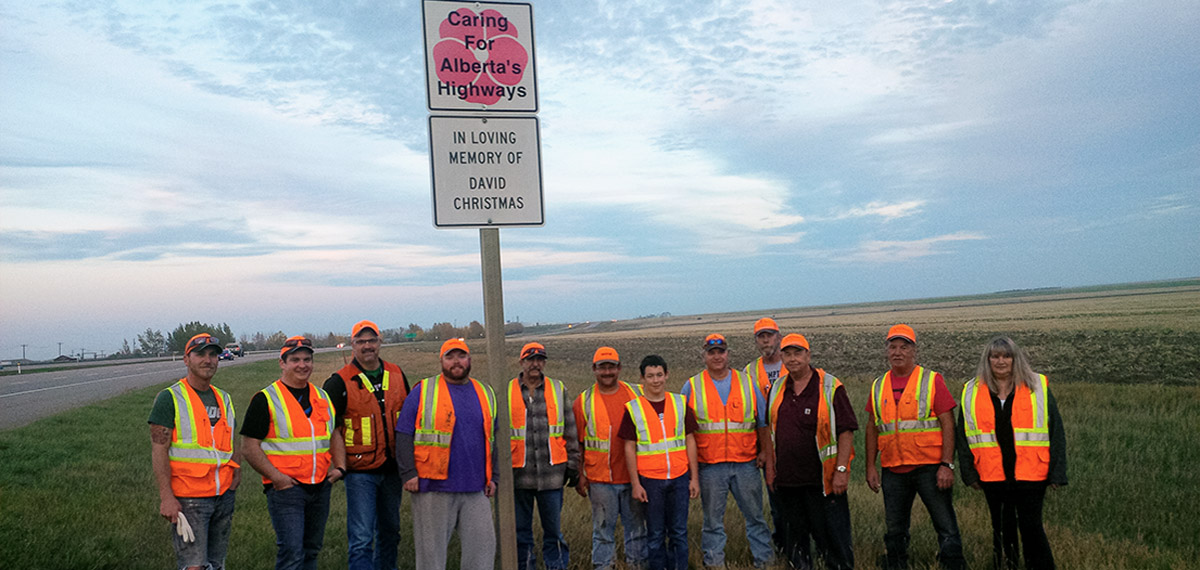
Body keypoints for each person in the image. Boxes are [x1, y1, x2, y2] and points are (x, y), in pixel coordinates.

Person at [957, 337, 1067, 570]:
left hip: (1031, 473)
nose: (1001, 361)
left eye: (1007, 356)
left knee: (1032, 528)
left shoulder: (1037, 386)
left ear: (1016, 359)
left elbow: (1056, 431)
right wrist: (969, 473)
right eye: (995, 356)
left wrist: (1057, 472)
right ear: (987, 360)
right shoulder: (971, 391)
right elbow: (963, 435)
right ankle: (1005, 566)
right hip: (992, 474)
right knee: (1001, 527)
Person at [865, 324, 966, 570]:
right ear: (887, 351)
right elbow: (872, 428)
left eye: (904, 347)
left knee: (945, 525)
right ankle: (896, 564)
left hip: (929, 468)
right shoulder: (878, 385)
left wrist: (947, 465)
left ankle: (953, 564)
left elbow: (948, 424)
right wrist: (870, 466)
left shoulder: (931, 380)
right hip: (893, 469)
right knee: (895, 527)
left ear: (914, 351)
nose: (897, 352)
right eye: (893, 347)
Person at [241, 336, 346, 570]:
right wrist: (277, 478)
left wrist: (340, 468)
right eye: (295, 360)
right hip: (287, 490)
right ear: (283, 363)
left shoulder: (322, 397)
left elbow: (334, 434)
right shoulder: (265, 399)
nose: (302, 365)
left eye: (307, 359)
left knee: (311, 550)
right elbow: (249, 447)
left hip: (320, 487)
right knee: (291, 553)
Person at [395, 338, 498, 570]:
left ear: (469, 360)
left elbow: (492, 440)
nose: (456, 362)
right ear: (441, 360)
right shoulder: (424, 391)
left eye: (461, 356)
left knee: (482, 555)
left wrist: (495, 477)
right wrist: (408, 472)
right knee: (431, 559)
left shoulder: (485, 393)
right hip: (433, 488)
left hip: (476, 489)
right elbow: (403, 433)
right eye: (450, 357)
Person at [148, 333, 241, 570]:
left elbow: (231, 440)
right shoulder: (169, 398)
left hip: (223, 495)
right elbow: (159, 450)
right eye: (200, 354)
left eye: (213, 354)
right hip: (190, 499)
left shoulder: (224, 398)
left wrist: (235, 476)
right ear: (186, 359)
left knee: (217, 563)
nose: (208, 360)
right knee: (193, 566)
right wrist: (166, 497)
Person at [682, 333, 775, 569]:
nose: (717, 356)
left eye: (721, 351)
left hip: (746, 464)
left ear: (728, 354)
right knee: (712, 522)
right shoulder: (692, 386)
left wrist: (765, 452)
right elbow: (683, 430)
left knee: (755, 518)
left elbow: (762, 422)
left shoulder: (747, 382)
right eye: (711, 352)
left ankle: (765, 561)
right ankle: (714, 563)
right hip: (710, 466)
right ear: (704, 355)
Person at [323, 320, 410, 570]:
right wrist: (338, 465)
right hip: (360, 473)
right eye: (361, 341)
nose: (367, 346)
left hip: (392, 469)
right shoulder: (338, 381)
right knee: (361, 538)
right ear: (353, 345)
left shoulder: (396, 373)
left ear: (380, 343)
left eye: (372, 340)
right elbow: (328, 428)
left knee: (391, 531)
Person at [765, 334, 857, 570]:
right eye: (787, 353)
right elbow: (769, 431)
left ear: (808, 355)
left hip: (823, 482)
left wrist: (841, 470)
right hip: (788, 482)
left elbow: (847, 430)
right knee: (796, 543)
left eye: (798, 353)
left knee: (832, 540)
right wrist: (770, 469)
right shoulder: (776, 388)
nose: (792, 359)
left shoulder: (830, 386)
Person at [620, 355, 700, 570]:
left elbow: (690, 440)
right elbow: (629, 447)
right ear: (642, 378)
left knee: (679, 533)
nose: (655, 381)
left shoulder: (680, 403)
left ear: (667, 375)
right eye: (650, 376)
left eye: (659, 375)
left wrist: (694, 478)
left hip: (679, 478)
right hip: (650, 481)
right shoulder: (633, 409)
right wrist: (635, 484)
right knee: (655, 534)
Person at [572, 347, 648, 570]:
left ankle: (638, 566)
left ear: (620, 368)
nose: (607, 372)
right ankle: (604, 566)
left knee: (636, 530)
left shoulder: (637, 394)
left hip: (635, 477)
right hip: (601, 480)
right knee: (603, 531)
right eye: (602, 367)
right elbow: (577, 443)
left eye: (612, 367)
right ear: (594, 370)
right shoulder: (583, 401)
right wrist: (579, 475)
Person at [508, 342, 580, 570]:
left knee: (554, 532)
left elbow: (570, 428)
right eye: (530, 359)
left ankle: (557, 566)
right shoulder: (506, 390)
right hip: (518, 476)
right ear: (521, 363)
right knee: (521, 532)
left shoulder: (558, 389)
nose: (535, 364)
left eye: (540, 359)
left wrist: (573, 465)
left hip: (552, 476)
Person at [741, 317, 788, 551]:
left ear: (779, 337)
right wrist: (761, 449)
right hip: (766, 446)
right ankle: (783, 544)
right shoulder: (748, 372)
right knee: (775, 498)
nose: (766, 339)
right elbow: (750, 415)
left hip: (794, 442)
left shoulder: (793, 362)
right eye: (761, 336)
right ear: (756, 341)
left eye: (770, 335)